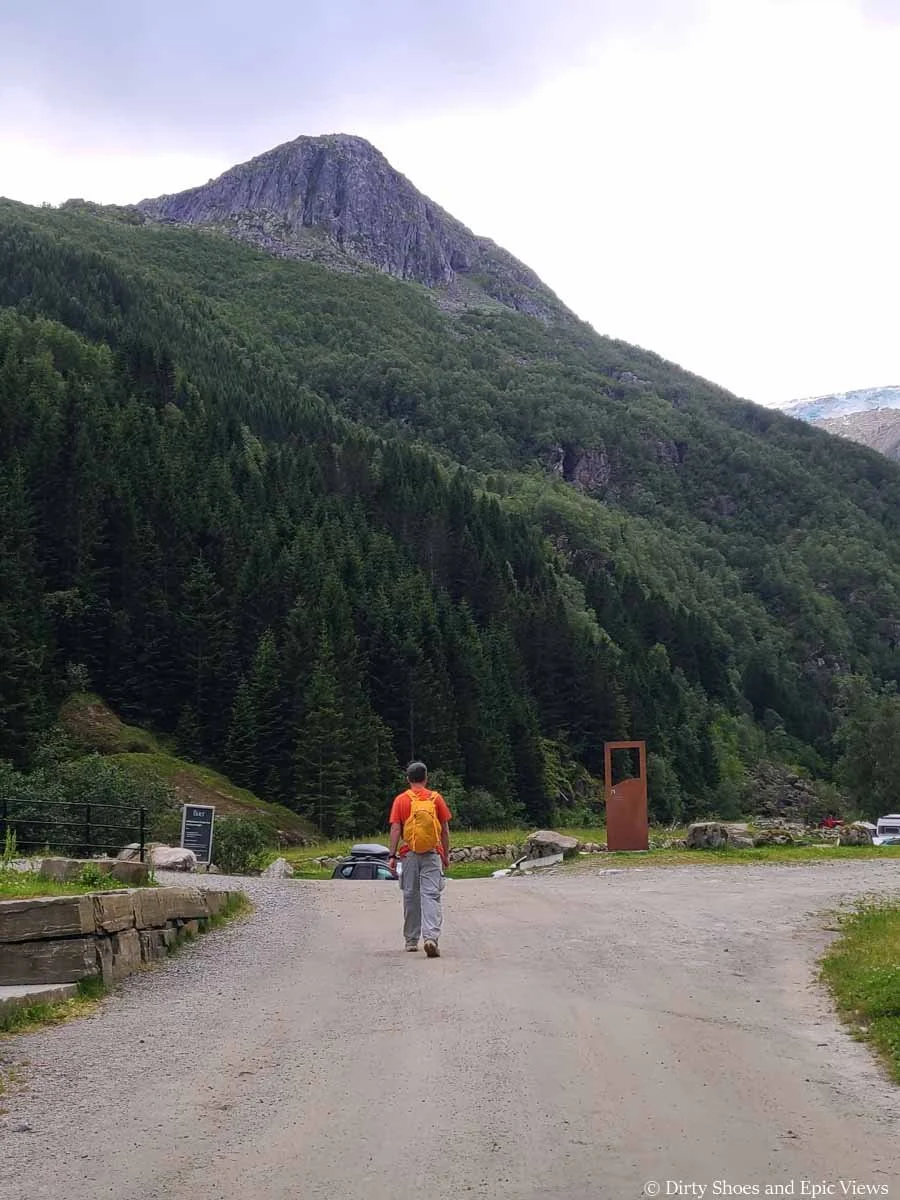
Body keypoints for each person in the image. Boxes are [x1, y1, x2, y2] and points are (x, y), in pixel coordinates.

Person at [388, 761, 451, 957]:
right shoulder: (436, 798)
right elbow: (445, 830)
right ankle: (431, 938)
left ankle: (411, 941)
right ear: (426, 778)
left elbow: (396, 828)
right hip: (432, 853)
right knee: (430, 895)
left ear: (408, 779)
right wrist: (445, 855)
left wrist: (392, 855)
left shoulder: (401, 800)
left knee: (410, 895)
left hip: (409, 854)